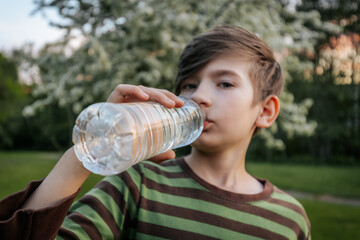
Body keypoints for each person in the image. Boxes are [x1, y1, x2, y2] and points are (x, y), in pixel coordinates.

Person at [0, 25, 310, 239]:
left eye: (225, 83)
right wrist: (89, 150)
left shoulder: (289, 219)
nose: (199, 96)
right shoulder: (137, 184)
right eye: (189, 85)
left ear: (265, 111)